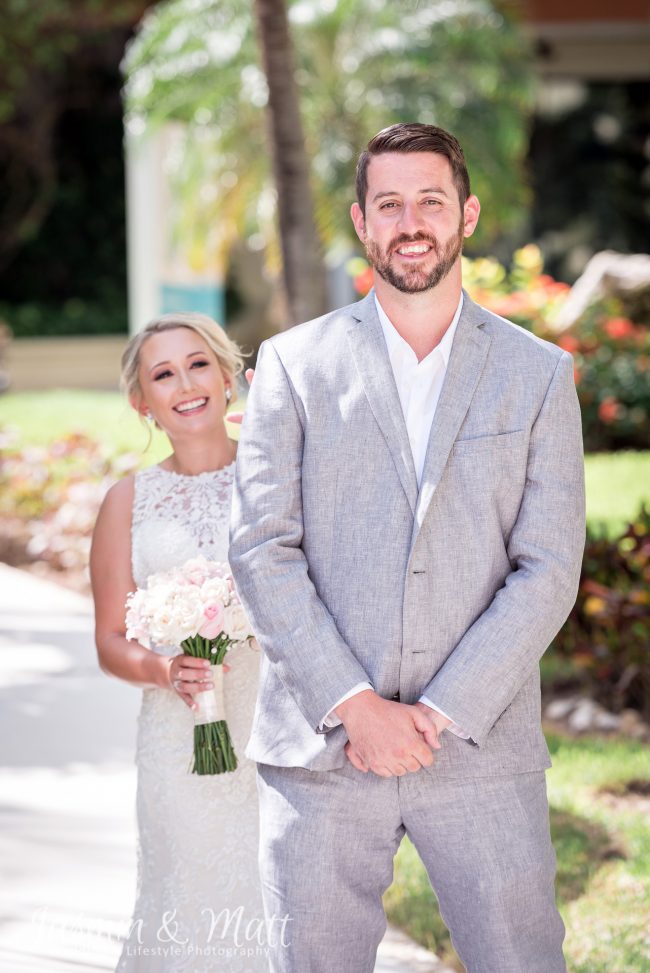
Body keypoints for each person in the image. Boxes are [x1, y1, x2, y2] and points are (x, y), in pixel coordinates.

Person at [229, 123, 585, 973]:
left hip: (478, 746)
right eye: (389, 203)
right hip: (322, 749)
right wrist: (355, 704)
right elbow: (261, 545)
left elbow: (548, 566)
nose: (410, 220)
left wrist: (436, 713)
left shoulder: (537, 374)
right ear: (361, 222)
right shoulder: (292, 365)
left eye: (430, 200)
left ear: (466, 214)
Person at [90, 313, 266, 972]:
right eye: (162, 374)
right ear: (143, 402)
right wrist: (166, 667)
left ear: (227, 375)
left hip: (275, 732)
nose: (185, 383)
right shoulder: (127, 502)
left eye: (198, 364)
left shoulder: (276, 473)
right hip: (179, 747)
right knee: (188, 905)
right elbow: (109, 639)